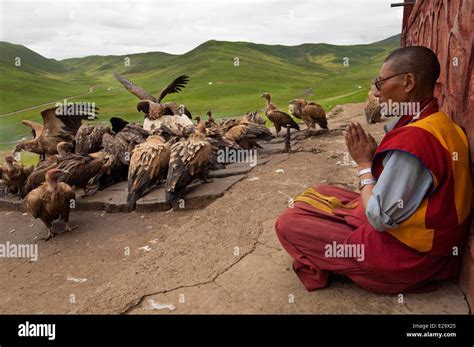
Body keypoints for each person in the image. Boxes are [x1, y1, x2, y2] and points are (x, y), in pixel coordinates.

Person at [275, 46, 472, 294]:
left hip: (409, 258)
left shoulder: (415, 141)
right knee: (320, 192)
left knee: (288, 223)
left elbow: (379, 218)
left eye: (381, 83)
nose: (377, 94)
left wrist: (364, 165)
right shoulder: (438, 123)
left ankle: (339, 265)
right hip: (427, 240)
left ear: (408, 81)